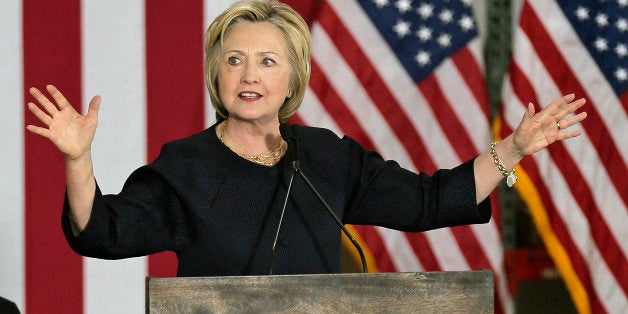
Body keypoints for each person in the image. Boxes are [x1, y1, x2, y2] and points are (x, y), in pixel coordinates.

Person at [25, 0, 587, 276]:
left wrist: (512, 149)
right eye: (235, 60)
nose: (250, 75)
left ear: (292, 77)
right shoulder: (186, 166)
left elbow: (430, 201)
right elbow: (101, 232)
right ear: (216, 75)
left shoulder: (327, 158)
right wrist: (79, 159)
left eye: (268, 61)